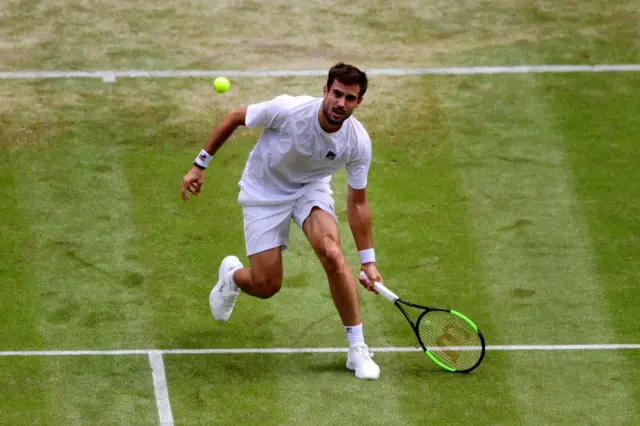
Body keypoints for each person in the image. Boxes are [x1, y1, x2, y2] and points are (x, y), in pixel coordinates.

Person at [180, 63, 384, 380]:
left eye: (350, 98)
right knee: (267, 285)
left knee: (331, 253)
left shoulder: (357, 142)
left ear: (359, 103)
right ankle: (233, 276)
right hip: (264, 189)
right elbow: (236, 117)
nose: (341, 103)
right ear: (325, 91)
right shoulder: (289, 110)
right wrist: (199, 165)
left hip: (309, 189)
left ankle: (357, 348)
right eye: (337, 94)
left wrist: (368, 261)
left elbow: (358, 203)